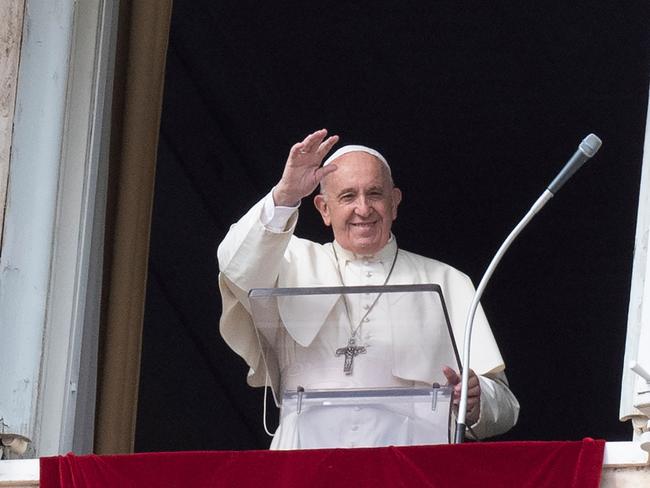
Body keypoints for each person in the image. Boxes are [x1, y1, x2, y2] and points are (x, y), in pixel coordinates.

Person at [217, 129, 519, 449]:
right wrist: (285, 195)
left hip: (408, 466)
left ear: (394, 203)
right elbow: (234, 266)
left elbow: (505, 405)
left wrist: (475, 400)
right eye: (348, 196)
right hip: (306, 463)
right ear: (323, 208)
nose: (363, 209)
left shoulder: (448, 281)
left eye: (374, 194)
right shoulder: (288, 262)